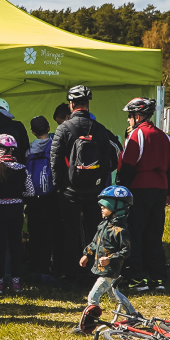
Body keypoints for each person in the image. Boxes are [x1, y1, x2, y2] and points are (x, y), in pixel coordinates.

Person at [51, 85, 121, 283]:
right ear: (88, 103)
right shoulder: (100, 129)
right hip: (95, 190)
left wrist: (59, 186)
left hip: (69, 191)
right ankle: (94, 274)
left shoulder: (63, 129)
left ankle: (71, 273)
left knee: (70, 232)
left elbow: (55, 161)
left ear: (71, 104)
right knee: (95, 233)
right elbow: (110, 160)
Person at [117, 97, 170, 292]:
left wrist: (120, 187)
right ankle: (158, 278)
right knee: (154, 234)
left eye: (129, 116)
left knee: (135, 233)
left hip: (140, 187)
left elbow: (128, 165)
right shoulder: (164, 136)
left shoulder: (137, 135)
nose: (128, 120)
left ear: (138, 115)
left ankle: (137, 279)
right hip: (160, 188)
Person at [72, 186, 132, 336]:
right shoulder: (103, 225)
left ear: (116, 208)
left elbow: (126, 250)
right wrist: (87, 254)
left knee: (93, 296)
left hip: (110, 270)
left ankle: (88, 325)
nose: (101, 209)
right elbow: (95, 243)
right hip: (104, 269)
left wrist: (110, 259)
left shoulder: (120, 230)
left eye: (105, 207)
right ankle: (133, 315)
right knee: (114, 294)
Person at [0, 133, 30, 295]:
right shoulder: (22, 169)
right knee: (15, 246)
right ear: (12, 151)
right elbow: (31, 191)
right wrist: (17, 195)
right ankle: (16, 282)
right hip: (17, 211)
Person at [23, 115, 58, 283]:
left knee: (34, 233)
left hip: (32, 199)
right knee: (49, 233)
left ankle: (33, 267)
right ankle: (46, 268)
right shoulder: (53, 147)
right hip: (49, 197)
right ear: (49, 128)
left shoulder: (29, 150)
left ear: (33, 132)